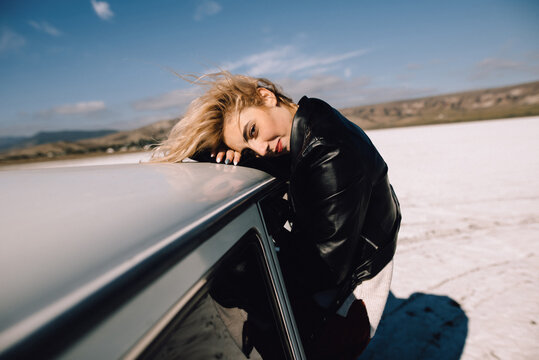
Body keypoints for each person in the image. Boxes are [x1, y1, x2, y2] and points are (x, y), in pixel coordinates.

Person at [153, 72, 401, 359]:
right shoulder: (308, 120)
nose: (260, 150)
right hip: (344, 266)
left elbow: (323, 271)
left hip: (352, 292)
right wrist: (222, 153)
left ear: (266, 97)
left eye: (252, 131)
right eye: (246, 148)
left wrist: (242, 272)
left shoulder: (330, 151)